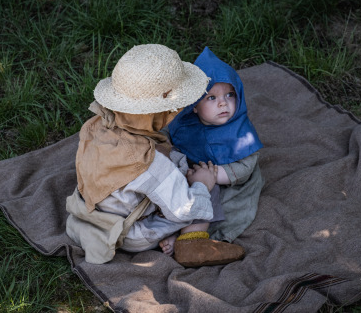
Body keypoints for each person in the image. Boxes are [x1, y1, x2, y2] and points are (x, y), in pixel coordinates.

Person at [65, 44, 245, 267]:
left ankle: (171, 231)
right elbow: (184, 209)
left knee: (174, 170)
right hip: (131, 232)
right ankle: (190, 242)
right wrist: (201, 184)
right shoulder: (146, 162)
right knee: (205, 188)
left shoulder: (97, 125)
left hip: (93, 213)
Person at [166, 46, 264, 244]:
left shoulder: (240, 131)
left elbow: (246, 166)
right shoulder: (183, 124)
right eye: (211, 98)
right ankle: (168, 231)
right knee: (171, 192)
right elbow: (168, 139)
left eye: (230, 95)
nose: (223, 103)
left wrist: (212, 176)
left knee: (218, 204)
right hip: (192, 171)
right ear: (194, 105)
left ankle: (195, 237)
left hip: (226, 178)